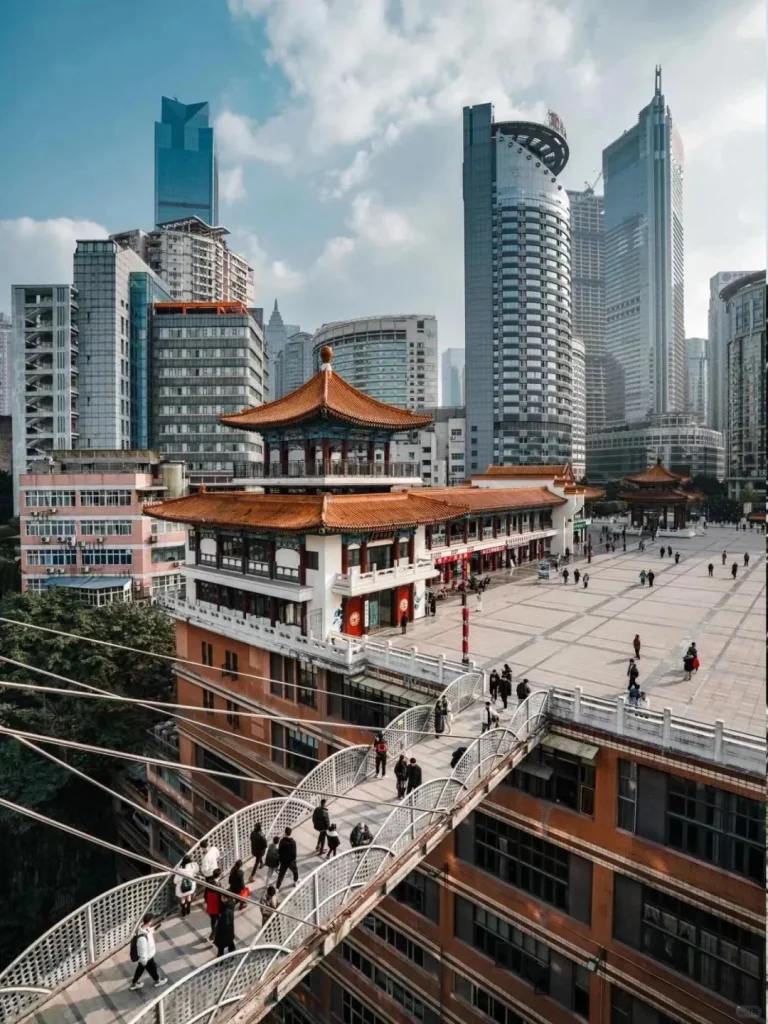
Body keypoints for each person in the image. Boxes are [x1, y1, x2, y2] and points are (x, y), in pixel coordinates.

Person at [129, 913, 168, 990]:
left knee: (143, 970)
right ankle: (157, 981)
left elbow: (150, 931)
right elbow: (142, 950)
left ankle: (135, 983)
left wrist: (157, 926)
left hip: (147, 956)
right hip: (147, 957)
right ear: (149, 921)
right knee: (150, 968)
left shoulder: (144, 929)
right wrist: (144, 961)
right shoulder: (142, 939)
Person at [204, 869, 222, 943]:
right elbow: (220, 895)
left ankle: (213, 933)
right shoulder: (218, 885)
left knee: (213, 919)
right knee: (217, 919)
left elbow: (205, 893)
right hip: (216, 903)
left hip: (210, 902)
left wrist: (206, 901)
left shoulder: (209, 882)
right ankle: (213, 934)